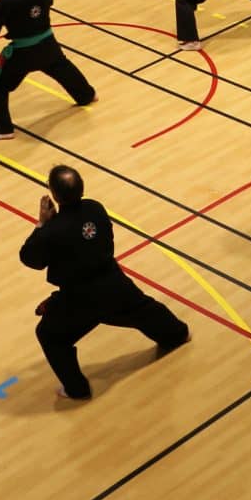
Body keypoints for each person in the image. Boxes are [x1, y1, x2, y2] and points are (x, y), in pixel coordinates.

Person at [21, 165, 190, 399]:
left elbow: (30, 258)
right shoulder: (95, 208)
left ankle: (76, 389)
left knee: (50, 336)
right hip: (113, 283)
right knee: (144, 310)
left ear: (55, 195)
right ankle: (177, 335)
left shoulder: (52, 231)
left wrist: (43, 224)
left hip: (78, 298)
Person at [0, 0, 97, 139]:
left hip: (23, 52)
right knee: (61, 67)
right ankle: (86, 95)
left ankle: (3, 129)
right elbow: (47, 2)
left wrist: (5, 1)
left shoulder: (9, 0)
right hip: (47, 44)